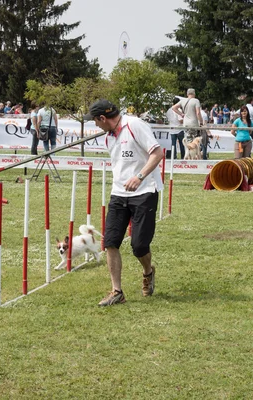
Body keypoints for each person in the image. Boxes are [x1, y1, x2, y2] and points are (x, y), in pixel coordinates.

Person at [84, 99, 163, 306]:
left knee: (139, 246)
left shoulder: (135, 125)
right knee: (110, 241)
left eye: (95, 121)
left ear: (103, 118)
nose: (95, 125)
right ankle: (117, 292)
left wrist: (139, 176)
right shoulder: (109, 136)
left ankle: (148, 272)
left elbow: (157, 153)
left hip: (144, 191)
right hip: (119, 194)